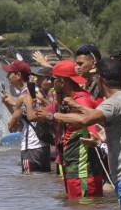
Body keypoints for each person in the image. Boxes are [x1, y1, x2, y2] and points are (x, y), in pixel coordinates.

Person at [50, 58, 121, 210]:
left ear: (100, 80)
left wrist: (51, 116)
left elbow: (85, 120)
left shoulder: (113, 102)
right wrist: (77, 107)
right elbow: (100, 115)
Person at [31, 60, 105, 198]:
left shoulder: (81, 100)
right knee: (74, 209)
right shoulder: (70, 99)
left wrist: (51, 116)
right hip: (75, 168)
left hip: (83, 170)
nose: (51, 83)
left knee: (84, 209)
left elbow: (92, 128)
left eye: (53, 79)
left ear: (61, 82)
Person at [1, 59, 51, 173]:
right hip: (44, 145)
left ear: (18, 75)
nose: (7, 76)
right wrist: (10, 104)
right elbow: (25, 118)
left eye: (9, 73)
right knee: (43, 180)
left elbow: (12, 127)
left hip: (30, 147)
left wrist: (14, 104)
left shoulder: (24, 96)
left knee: (28, 180)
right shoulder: (35, 90)